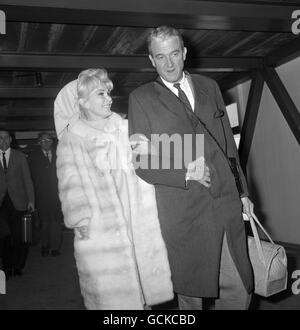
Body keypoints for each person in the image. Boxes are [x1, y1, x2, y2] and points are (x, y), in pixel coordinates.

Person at [128, 26, 255, 310]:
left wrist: (243, 192)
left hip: (225, 201)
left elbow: (228, 147)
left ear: (184, 53)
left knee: (240, 289)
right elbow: (141, 161)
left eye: (174, 54)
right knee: (191, 296)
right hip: (183, 213)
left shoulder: (209, 87)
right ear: (151, 60)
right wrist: (185, 172)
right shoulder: (141, 98)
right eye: (160, 57)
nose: (169, 63)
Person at [53, 68, 173, 310]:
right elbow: (70, 183)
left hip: (137, 218)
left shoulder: (126, 127)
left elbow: (158, 157)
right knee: (114, 298)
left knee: (144, 290)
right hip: (101, 228)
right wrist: (80, 219)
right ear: (82, 101)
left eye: (109, 93)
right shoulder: (72, 140)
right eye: (101, 93)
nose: (109, 98)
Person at [0, 130, 35, 278]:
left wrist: (31, 200)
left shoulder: (20, 157)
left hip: (19, 202)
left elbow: (27, 180)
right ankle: (7, 267)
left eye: (6, 137)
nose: (3, 140)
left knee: (19, 237)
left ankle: (18, 265)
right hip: (2, 203)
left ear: (10, 140)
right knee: (4, 237)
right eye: (0, 138)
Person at [29, 132, 63, 257]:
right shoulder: (33, 157)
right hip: (41, 196)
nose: (46, 142)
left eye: (48, 139)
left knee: (56, 222)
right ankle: (45, 245)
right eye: (43, 140)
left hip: (58, 195)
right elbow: (30, 178)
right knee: (44, 223)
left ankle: (55, 247)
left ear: (52, 141)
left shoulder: (60, 155)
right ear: (39, 143)